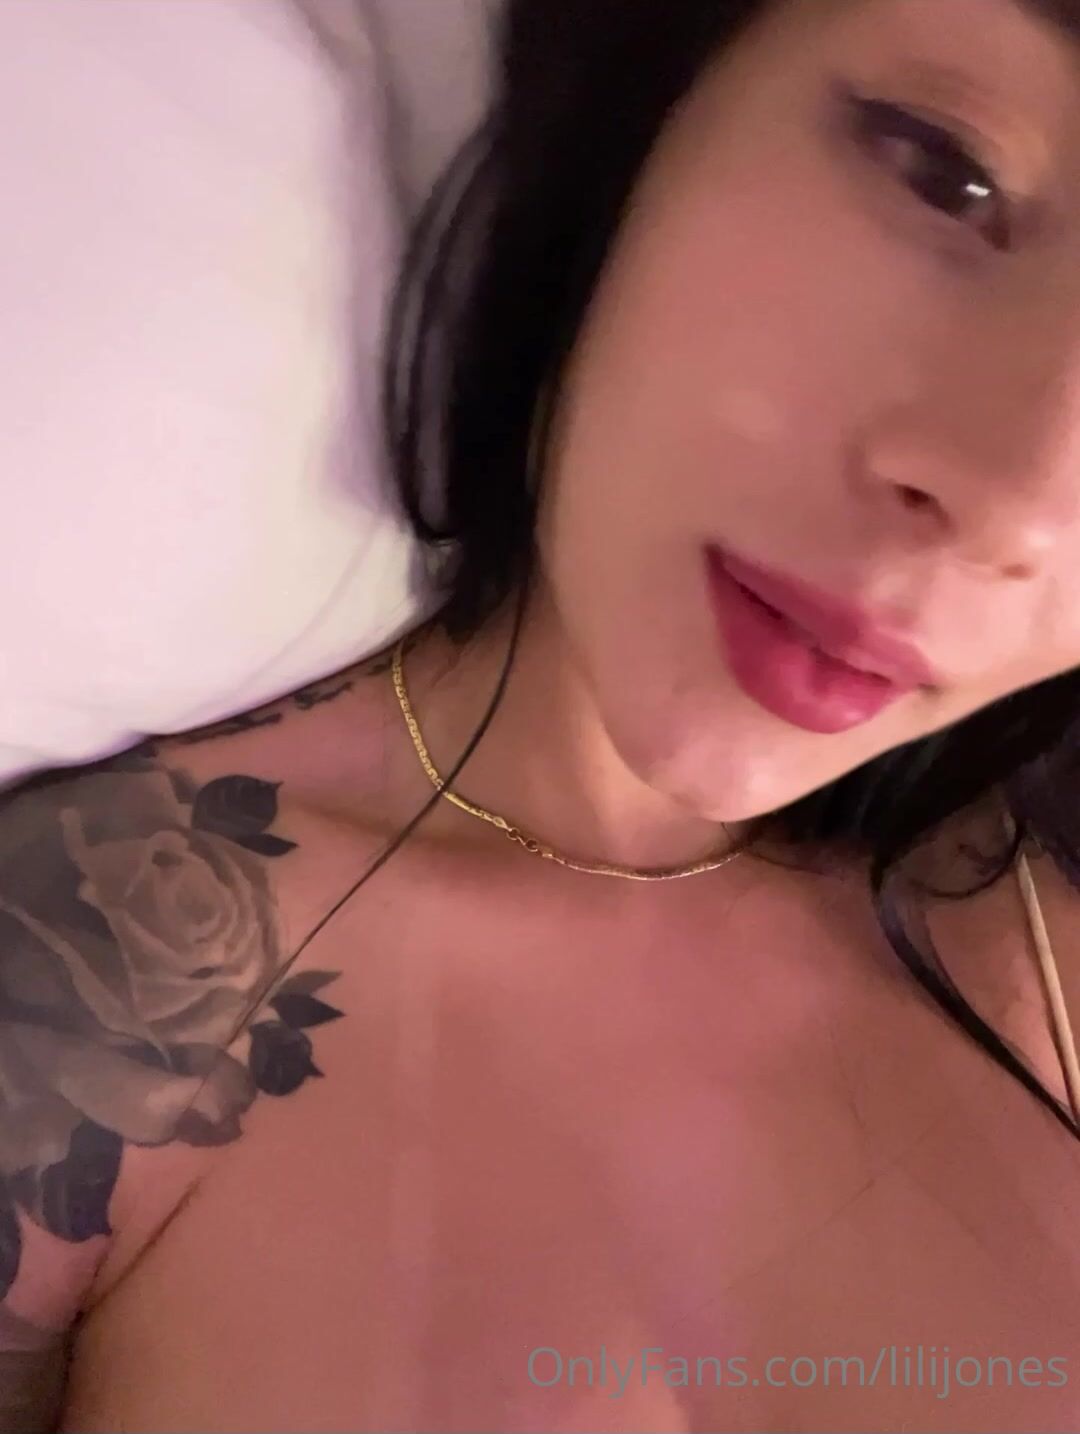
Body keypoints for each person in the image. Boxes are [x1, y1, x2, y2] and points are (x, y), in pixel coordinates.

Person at [5, 0, 1080, 1427]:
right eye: (948, 172)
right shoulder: (96, 979)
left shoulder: (1047, 942)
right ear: (669, 73)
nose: (1013, 505)